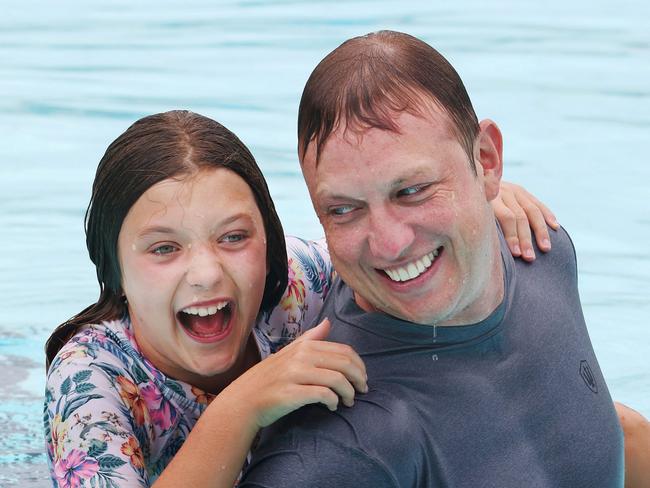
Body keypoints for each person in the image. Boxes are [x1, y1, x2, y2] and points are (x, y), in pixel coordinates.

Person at [43, 110, 552, 487]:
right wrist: (242, 405)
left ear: (270, 242)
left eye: (235, 237)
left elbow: (399, 257)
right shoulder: (90, 379)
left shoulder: (296, 286)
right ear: (114, 272)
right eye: (164, 248)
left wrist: (476, 201)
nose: (205, 273)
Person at [238, 31, 632, 487]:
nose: (388, 245)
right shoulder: (340, 450)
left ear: (486, 161)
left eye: (411, 191)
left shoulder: (543, 251)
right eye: (343, 210)